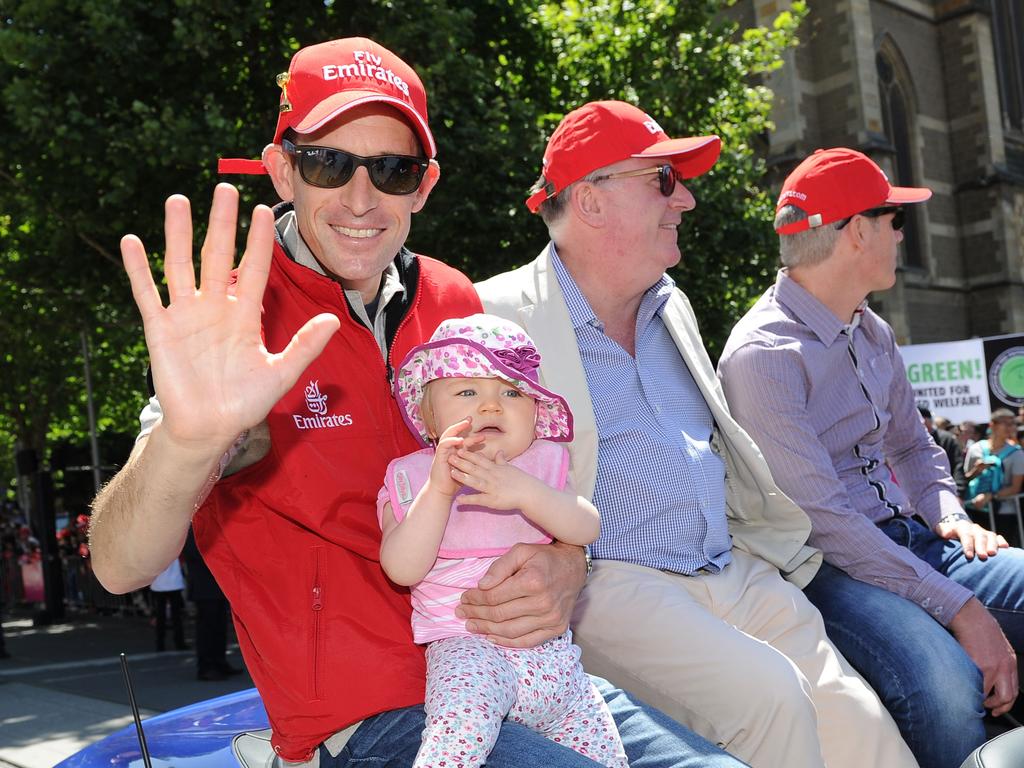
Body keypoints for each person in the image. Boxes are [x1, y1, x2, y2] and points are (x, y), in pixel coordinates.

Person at [88, 37, 746, 768]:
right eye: (329, 163)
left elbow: (540, 475)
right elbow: (120, 567)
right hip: (367, 714)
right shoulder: (234, 325)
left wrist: (566, 562)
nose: (361, 198)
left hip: (523, 668)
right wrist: (189, 443)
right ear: (283, 170)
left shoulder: (454, 299)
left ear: (423, 185)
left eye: (392, 170)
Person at [476, 100, 916, 768]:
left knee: (857, 722)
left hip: (732, 568)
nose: (684, 199)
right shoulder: (494, 316)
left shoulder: (670, 302)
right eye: (662, 180)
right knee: (773, 700)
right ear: (590, 202)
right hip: (608, 585)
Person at [718, 147, 1024, 768]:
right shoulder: (764, 355)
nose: (901, 234)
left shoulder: (871, 328)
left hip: (907, 540)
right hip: (826, 567)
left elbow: (913, 447)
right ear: (858, 230)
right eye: (895, 220)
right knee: (939, 684)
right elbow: (826, 523)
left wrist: (953, 516)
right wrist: (958, 606)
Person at [380, 314, 625, 767]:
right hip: (470, 648)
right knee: (458, 736)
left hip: (556, 663)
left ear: (535, 412)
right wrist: (438, 492)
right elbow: (402, 568)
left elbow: (586, 528)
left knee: (608, 756)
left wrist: (526, 492)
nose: (492, 406)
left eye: (512, 392)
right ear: (430, 418)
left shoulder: (542, 464)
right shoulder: (414, 477)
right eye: (468, 392)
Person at [182, 529, 242, 681]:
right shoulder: (193, 529)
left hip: (217, 586)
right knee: (207, 629)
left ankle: (220, 661)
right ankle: (206, 666)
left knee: (219, 627)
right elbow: (193, 553)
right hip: (204, 587)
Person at [965, 409, 1024, 514]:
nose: (1011, 428)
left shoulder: (1017, 454)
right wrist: (977, 470)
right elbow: (966, 478)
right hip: (974, 508)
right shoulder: (975, 449)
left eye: (1013, 424)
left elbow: (1015, 488)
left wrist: (990, 496)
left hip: (1004, 512)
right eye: (1006, 424)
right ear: (992, 425)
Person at [918, 405, 966, 496]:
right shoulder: (910, 441)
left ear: (928, 421)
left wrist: (959, 493)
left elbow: (957, 466)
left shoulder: (947, 439)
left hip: (948, 492)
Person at [149, 556, 187, 653]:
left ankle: (160, 644)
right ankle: (179, 643)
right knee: (176, 616)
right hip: (174, 583)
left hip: (158, 584)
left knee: (161, 616)